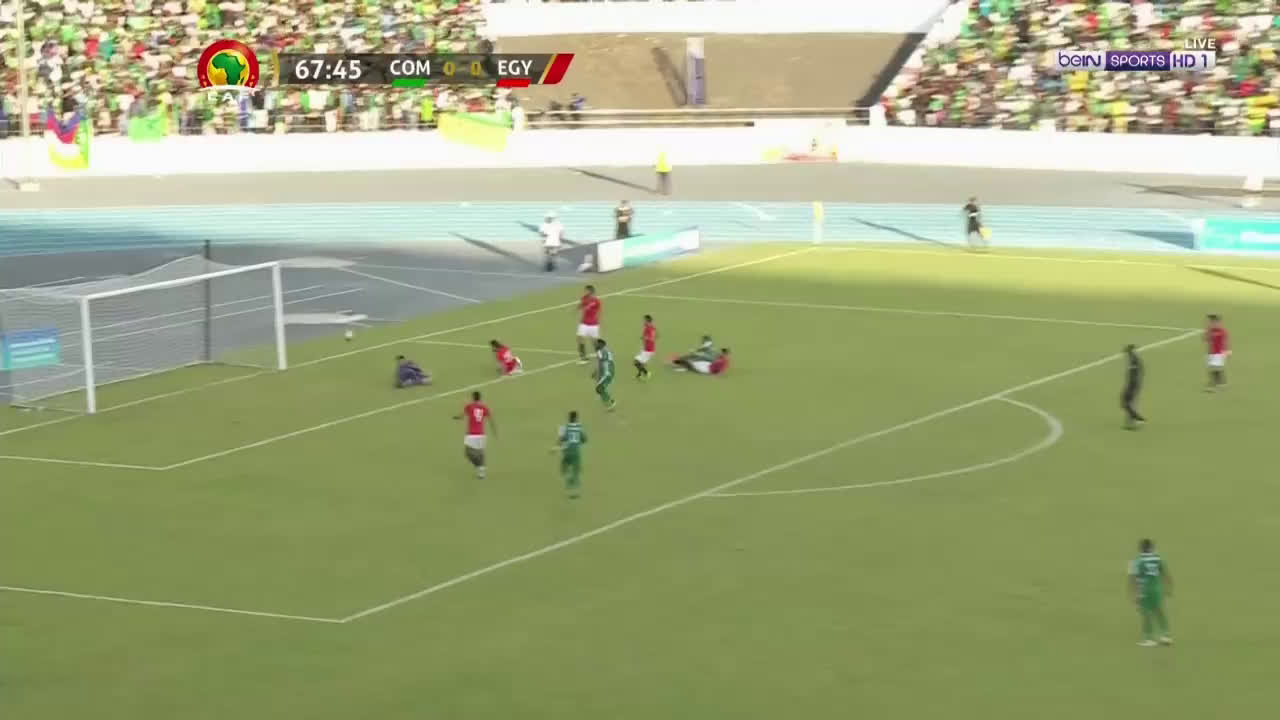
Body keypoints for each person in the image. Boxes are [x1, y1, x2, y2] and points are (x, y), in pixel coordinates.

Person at [1128, 538, 1173, 647]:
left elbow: (1133, 579)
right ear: (1151, 548)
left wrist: (1134, 594)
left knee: (1146, 613)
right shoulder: (1157, 559)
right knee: (1159, 611)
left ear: (1140, 549)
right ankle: (1165, 636)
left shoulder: (1136, 561)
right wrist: (1168, 588)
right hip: (1157, 589)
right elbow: (1166, 574)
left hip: (1144, 590)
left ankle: (1149, 639)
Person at [453, 391, 496, 479]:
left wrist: (456, 417)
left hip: (471, 434)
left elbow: (462, 416)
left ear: (473, 397)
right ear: (480, 398)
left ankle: (478, 466)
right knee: (480, 452)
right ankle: (481, 469)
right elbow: (490, 419)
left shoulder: (469, 406)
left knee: (467, 453)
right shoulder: (484, 407)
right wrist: (494, 430)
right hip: (481, 433)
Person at [554, 410, 588, 499]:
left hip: (567, 452)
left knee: (564, 468)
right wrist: (578, 442)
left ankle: (567, 480)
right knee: (576, 472)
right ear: (576, 419)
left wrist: (555, 448)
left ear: (569, 418)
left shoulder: (565, 428)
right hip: (576, 453)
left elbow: (561, 439)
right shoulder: (579, 428)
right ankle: (573, 491)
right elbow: (585, 439)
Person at [576, 284, 602, 364]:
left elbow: (596, 310)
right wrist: (579, 306)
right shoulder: (584, 298)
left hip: (593, 324)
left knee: (594, 341)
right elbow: (581, 305)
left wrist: (587, 306)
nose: (585, 291)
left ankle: (600, 354)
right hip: (584, 323)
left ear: (590, 291)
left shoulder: (596, 301)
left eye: (586, 290)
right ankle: (583, 358)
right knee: (580, 338)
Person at [1121, 344, 1145, 429]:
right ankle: (1131, 422)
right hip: (1133, 384)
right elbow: (1141, 370)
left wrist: (1132, 386)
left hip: (1132, 385)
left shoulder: (1134, 360)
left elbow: (1135, 374)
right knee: (1128, 403)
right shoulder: (1134, 359)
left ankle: (1137, 419)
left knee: (1125, 403)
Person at [1205, 314, 1229, 391]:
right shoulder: (1210, 331)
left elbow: (1225, 341)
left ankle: (1213, 385)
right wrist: (1207, 332)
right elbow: (1205, 339)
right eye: (1211, 322)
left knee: (1214, 368)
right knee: (1213, 368)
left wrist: (1226, 351)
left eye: (1214, 322)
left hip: (1219, 353)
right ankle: (1221, 382)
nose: (1212, 324)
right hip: (1211, 353)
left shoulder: (1222, 331)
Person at [593, 338, 617, 410]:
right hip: (607, 372)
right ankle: (608, 401)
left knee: (599, 388)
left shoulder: (603, 351)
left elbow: (602, 361)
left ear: (601, 344)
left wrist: (596, 372)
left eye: (597, 344)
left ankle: (611, 403)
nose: (596, 345)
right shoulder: (604, 351)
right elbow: (602, 362)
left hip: (608, 373)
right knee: (600, 389)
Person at [634, 314, 657, 380]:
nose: (643, 321)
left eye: (644, 320)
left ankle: (647, 373)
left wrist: (645, 338)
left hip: (649, 350)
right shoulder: (647, 326)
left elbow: (652, 338)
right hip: (646, 349)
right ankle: (639, 375)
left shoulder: (651, 328)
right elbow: (656, 335)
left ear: (647, 320)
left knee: (636, 362)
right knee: (641, 363)